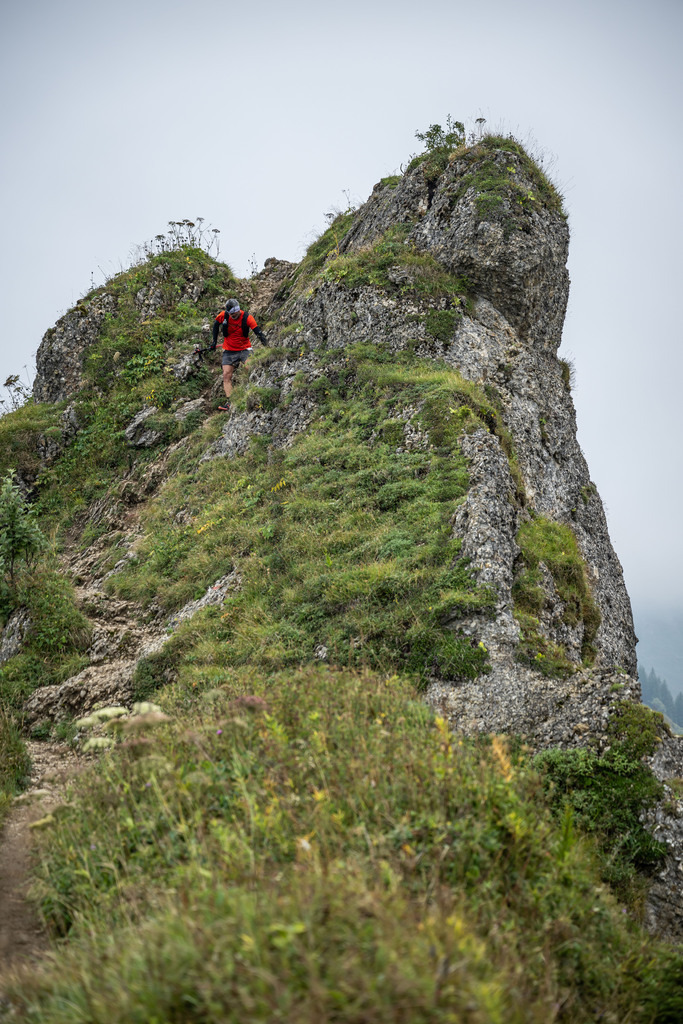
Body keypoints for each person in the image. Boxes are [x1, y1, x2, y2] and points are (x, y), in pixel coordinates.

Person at [210, 299, 268, 411]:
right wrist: (214, 342)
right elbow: (216, 325)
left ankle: (249, 392)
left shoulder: (247, 318)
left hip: (244, 348)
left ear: (238, 309)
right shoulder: (223, 316)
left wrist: (267, 347)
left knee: (249, 367)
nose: (233, 315)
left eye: (235, 313)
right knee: (226, 375)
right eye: (231, 314)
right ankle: (230, 402)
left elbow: (258, 333)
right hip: (229, 350)